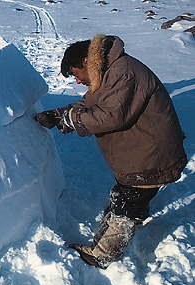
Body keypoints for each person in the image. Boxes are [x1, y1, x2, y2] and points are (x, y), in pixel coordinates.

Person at [34, 34, 187, 269]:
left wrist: (71, 119)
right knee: (132, 197)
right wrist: (60, 114)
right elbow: (91, 104)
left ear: (86, 61)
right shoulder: (110, 72)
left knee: (123, 203)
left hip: (152, 156)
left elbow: (110, 116)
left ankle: (102, 255)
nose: (76, 81)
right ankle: (136, 214)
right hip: (147, 151)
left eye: (75, 74)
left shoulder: (123, 73)